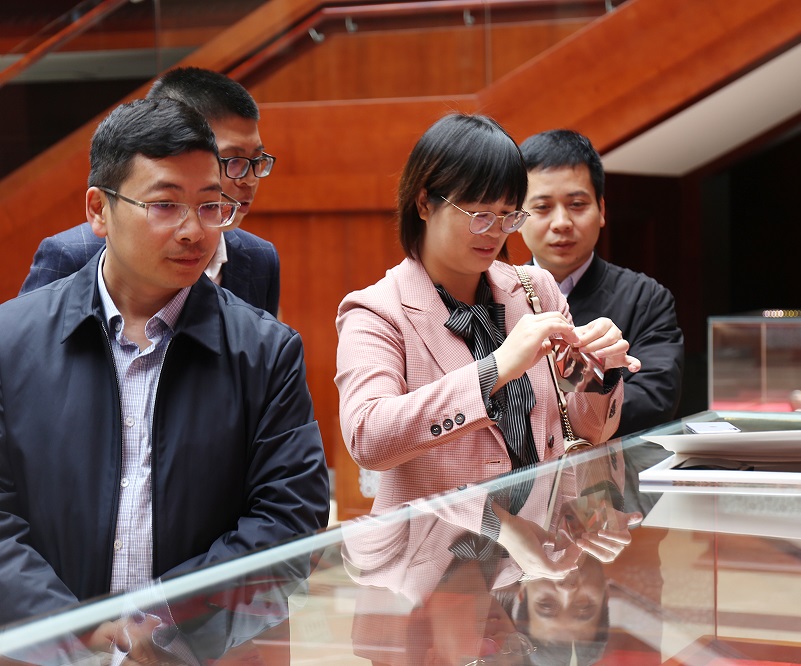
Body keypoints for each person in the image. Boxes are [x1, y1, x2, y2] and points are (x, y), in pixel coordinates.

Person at [0, 98, 329, 645]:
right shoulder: (11, 339)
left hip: (198, 650)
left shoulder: (266, 352)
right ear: (99, 210)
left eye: (210, 205)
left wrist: (163, 623)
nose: (194, 230)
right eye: (165, 205)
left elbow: (289, 518)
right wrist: (77, 630)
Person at [335, 113, 640, 523]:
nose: (496, 232)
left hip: (541, 543)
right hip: (434, 551)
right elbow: (368, 438)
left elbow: (589, 431)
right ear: (424, 203)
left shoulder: (537, 289)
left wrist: (600, 369)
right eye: (480, 215)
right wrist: (494, 370)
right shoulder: (376, 311)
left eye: (509, 216)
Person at [19, 67, 281, 317]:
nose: (249, 179)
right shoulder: (72, 254)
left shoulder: (260, 258)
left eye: (256, 160)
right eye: (232, 160)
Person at [518, 129, 684, 438]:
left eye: (577, 204)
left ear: (602, 210)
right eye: (542, 207)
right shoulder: (495, 294)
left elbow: (654, 399)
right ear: (517, 216)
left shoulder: (646, 298)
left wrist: (558, 409)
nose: (561, 222)